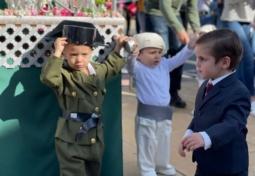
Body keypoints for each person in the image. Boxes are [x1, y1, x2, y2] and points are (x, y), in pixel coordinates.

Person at [40, 21, 132, 176]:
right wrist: (56, 52)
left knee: (92, 172)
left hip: (94, 138)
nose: (79, 60)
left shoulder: (97, 70)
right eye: (73, 54)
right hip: (71, 139)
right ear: (65, 54)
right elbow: (48, 77)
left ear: (91, 53)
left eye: (84, 54)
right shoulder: (64, 74)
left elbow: (111, 67)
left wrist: (119, 48)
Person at [126, 32, 201, 176]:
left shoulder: (164, 65)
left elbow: (180, 58)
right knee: (147, 144)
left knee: (163, 143)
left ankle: (162, 165)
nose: (157, 56)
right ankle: (147, 169)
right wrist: (132, 53)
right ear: (139, 55)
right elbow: (130, 63)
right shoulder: (138, 69)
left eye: (159, 52)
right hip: (146, 116)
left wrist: (190, 47)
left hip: (165, 114)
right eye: (152, 52)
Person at [179, 29, 251, 176]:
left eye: (203, 59)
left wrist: (205, 137)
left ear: (225, 62)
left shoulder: (238, 92)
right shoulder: (205, 85)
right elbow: (200, 115)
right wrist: (189, 134)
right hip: (204, 163)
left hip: (228, 167)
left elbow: (232, 124)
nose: (197, 64)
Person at [144, 0, 201, 108]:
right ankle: (155, 94)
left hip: (175, 13)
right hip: (156, 12)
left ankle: (173, 92)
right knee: (160, 54)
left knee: (180, 50)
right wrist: (179, 29)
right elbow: (164, 6)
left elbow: (192, 8)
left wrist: (198, 31)